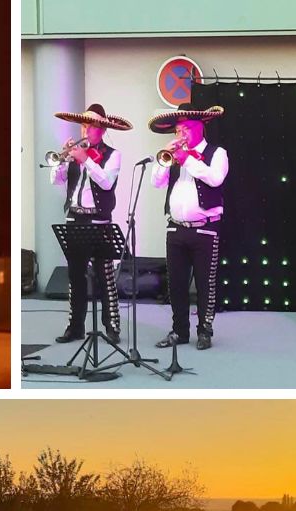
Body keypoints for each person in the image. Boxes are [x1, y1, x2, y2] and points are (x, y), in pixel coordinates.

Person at [149, 97, 229, 350]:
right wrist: (166, 159)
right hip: (175, 228)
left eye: (185, 128)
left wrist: (187, 159)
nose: (181, 133)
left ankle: (205, 331)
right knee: (176, 283)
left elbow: (215, 179)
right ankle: (179, 330)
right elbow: (156, 182)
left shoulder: (217, 153)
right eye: (178, 129)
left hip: (205, 228)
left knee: (206, 283)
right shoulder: (175, 155)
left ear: (199, 127)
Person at [49, 103, 132, 345]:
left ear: (102, 130)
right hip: (74, 218)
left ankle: (112, 326)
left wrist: (86, 159)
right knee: (75, 275)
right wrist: (62, 160)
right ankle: (75, 327)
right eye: (83, 125)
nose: (85, 130)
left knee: (104, 274)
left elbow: (106, 182)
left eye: (91, 126)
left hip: (98, 220)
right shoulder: (75, 153)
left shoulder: (112, 154)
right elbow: (56, 181)